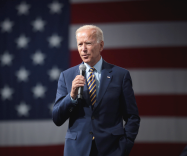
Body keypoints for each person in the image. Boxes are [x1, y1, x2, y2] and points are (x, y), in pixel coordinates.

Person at [52, 25, 140, 156]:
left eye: (88, 43)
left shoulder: (120, 75)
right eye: (80, 44)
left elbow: (132, 116)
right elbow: (57, 118)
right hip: (77, 150)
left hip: (112, 150)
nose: (83, 49)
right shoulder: (67, 76)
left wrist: (125, 146)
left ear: (101, 45)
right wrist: (71, 96)